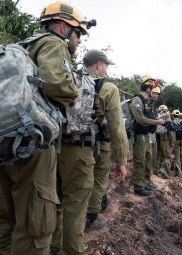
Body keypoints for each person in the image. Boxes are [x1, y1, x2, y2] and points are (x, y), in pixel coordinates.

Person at [0, 1, 92, 254]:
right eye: (78, 33)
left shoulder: (24, 46)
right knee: (37, 222)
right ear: (62, 26)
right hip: (33, 144)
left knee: (6, 217)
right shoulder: (53, 44)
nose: (78, 41)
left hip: (3, 140)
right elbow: (56, 82)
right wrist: (73, 94)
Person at [81, 49, 128, 232]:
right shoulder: (108, 88)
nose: (107, 70)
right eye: (106, 66)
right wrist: (122, 160)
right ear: (99, 65)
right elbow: (117, 127)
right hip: (96, 144)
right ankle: (91, 218)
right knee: (98, 180)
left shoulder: (69, 80)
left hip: (65, 144)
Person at [130, 76, 165, 196]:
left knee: (147, 158)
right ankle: (138, 187)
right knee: (140, 160)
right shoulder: (137, 101)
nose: (153, 91)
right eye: (152, 88)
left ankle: (145, 182)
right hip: (139, 135)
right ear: (148, 88)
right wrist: (157, 122)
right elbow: (140, 119)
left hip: (146, 134)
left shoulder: (146, 102)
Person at [156, 105, 175, 178]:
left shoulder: (156, 117)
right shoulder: (168, 119)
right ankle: (163, 169)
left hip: (156, 141)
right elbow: (171, 133)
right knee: (167, 157)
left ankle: (156, 171)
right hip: (165, 141)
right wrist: (172, 142)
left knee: (158, 156)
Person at [171, 110, 182, 176]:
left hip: (175, 141)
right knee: (178, 155)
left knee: (175, 156)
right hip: (180, 140)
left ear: (173, 115)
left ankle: (177, 172)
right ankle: (180, 170)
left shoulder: (172, 122)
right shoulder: (181, 122)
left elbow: (172, 133)